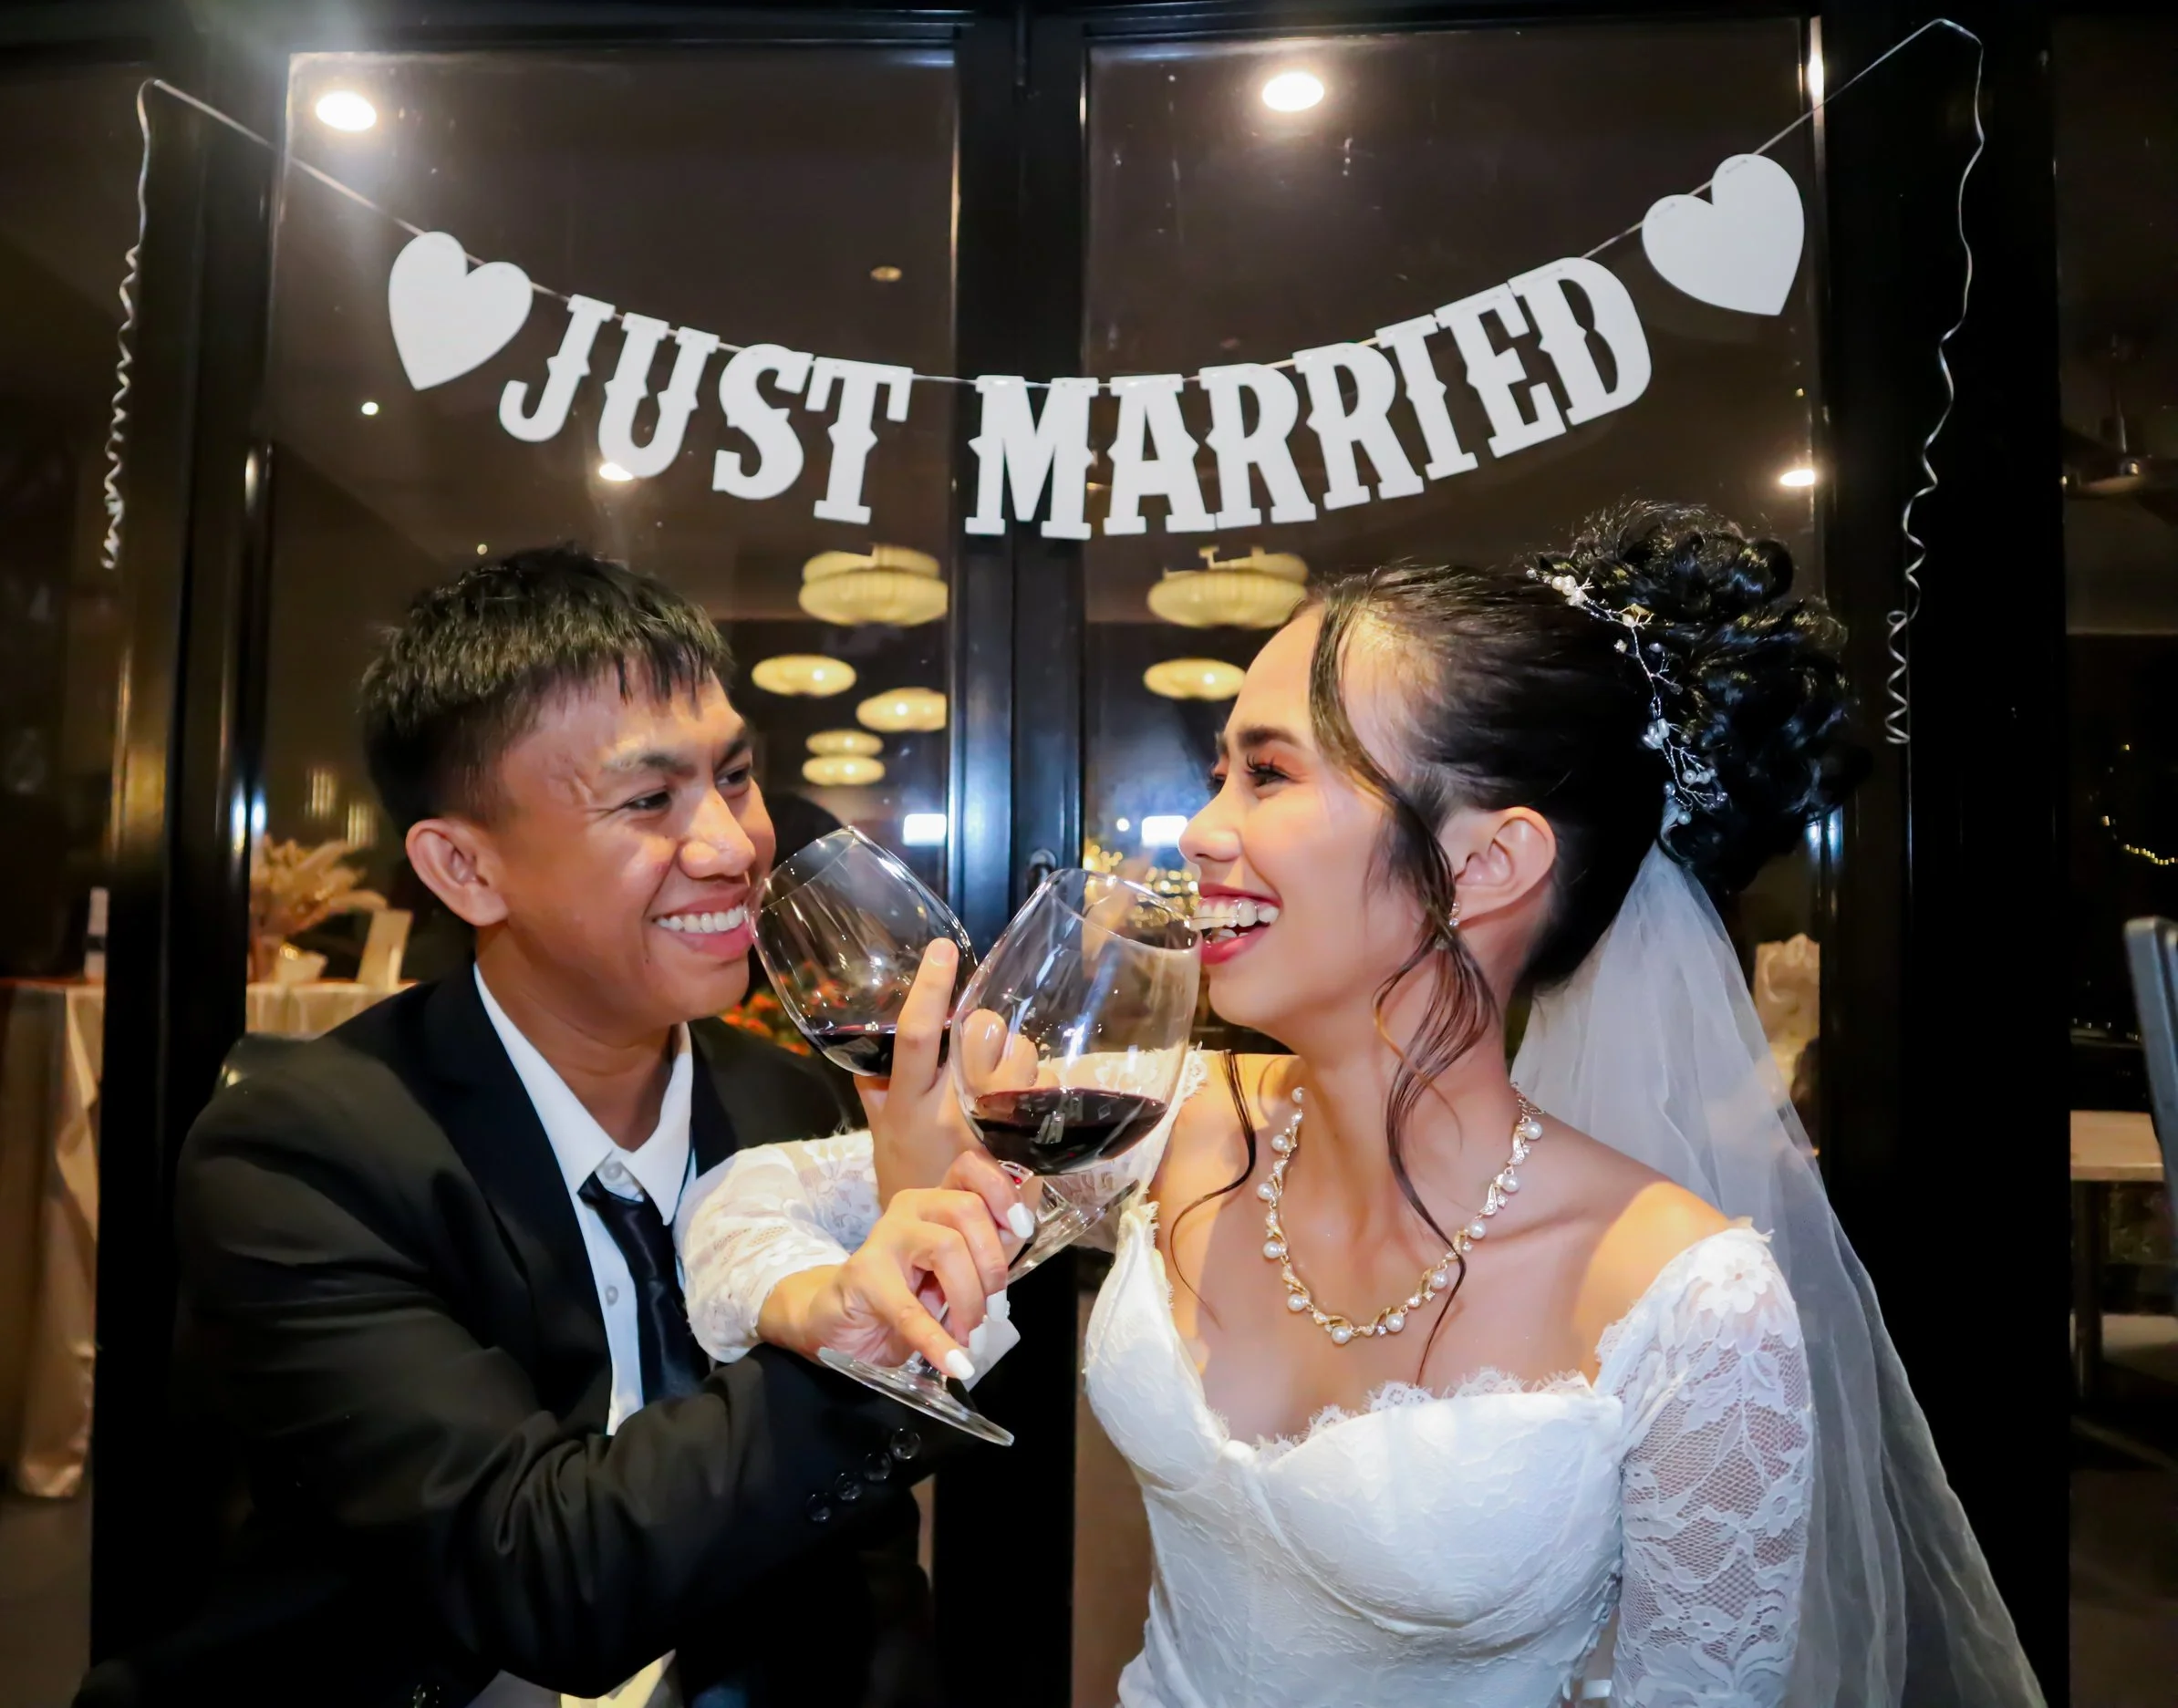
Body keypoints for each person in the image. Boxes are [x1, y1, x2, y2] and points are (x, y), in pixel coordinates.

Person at [678, 504, 2046, 1706]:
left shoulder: (1693, 1304)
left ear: (1492, 859)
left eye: (1270, 773)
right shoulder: (1171, 1125)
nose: (1204, 827)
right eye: (1220, 769)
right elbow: (743, 1201)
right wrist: (831, 1293)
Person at [124, 548, 1023, 1708]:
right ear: (466, 867)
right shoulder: (305, 1153)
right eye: (649, 799)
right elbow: (541, 1576)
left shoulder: (790, 1109)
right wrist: (872, 1332)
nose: (731, 846)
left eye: (736, 777)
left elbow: (856, 1562)